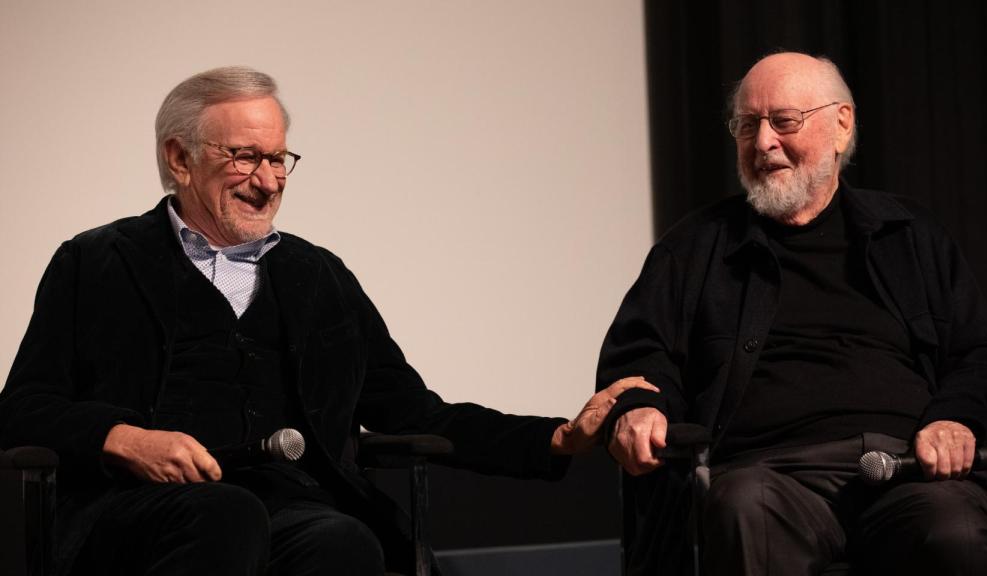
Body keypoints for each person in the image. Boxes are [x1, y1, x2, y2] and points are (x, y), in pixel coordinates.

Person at [0, 66, 654, 576]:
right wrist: (125, 438)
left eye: (278, 158)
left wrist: (558, 438)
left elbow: (414, 412)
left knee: (341, 537)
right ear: (179, 159)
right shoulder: (96, 264)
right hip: (135, 509)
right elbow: (24, 406)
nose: (268, 179)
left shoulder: (318, 277)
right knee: (226, 516)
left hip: (285, 506)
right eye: (244, 157)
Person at [598, 52, 987, 575]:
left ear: (842, 125)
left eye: (784, 121)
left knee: (955, 529)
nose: (763, 142)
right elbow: (640, 355)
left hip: (908, 470)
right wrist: (640, 407)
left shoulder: (909, 234)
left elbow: (981, 355)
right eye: (747, 125)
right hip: (767, 474)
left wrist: (956, 418)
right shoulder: (696, 245)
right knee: (743, 509)